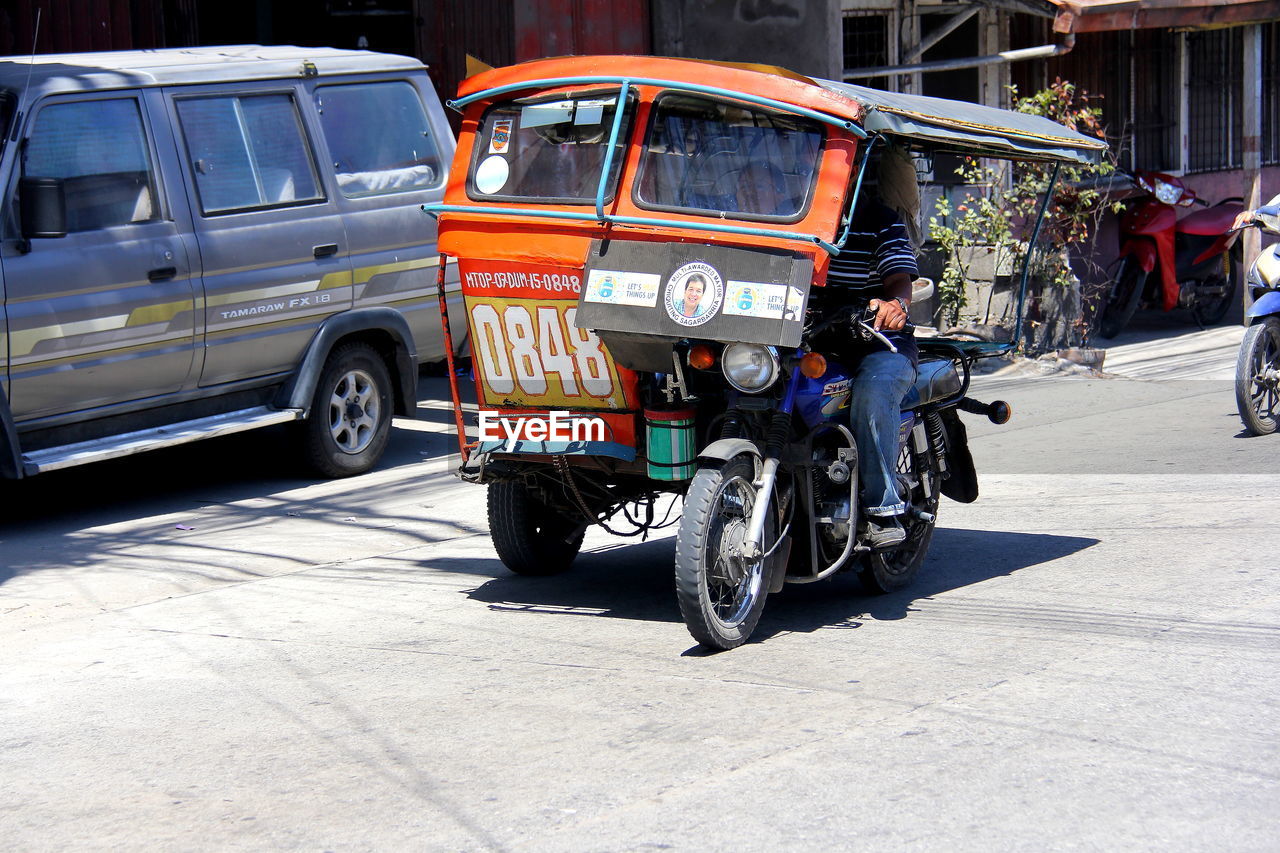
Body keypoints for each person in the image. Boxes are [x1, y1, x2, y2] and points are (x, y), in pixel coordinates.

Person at [811, 193, 919, 548]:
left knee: (872, 392)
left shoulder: (877, 218)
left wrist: (895, 305)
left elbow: (900, 280)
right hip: (808, 340)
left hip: (876, 340)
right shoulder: (783, 214)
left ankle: (880, 509)